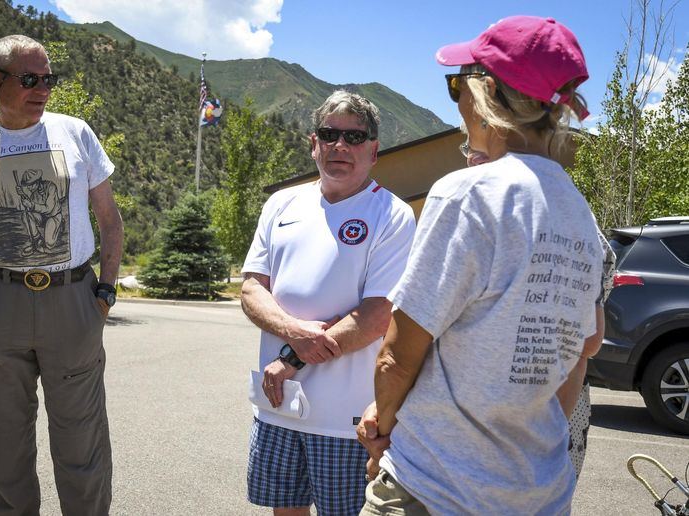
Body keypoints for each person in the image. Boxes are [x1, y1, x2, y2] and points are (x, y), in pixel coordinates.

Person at [357, 16, 605, 514]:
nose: (459, 104)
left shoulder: (467, 194)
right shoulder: (581, 214)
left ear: (487, 92)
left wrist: (382, 429)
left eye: (458, 86)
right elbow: (579, 355)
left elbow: (397, 356)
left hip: (436, 487)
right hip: (538, 492)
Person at [0, 35, 123, 515]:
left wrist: (105, 293)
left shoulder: (75, 133)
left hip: (73, 299)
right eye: (30, 79)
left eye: (48, 80)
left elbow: (111, 220)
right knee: (5, 444)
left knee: (83, 446)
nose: (42, 90)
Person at [241, 90, 415, 516]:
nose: (341, 146)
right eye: (329, 134)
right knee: (285, 512)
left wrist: (291, 357)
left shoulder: (391, 215)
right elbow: (250, 290)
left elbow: (377, 317)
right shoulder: (281, 203)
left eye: (355, 138)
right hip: (278, 409)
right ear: (313, 143)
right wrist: (294, 332)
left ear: (374, 151)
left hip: (348, 422)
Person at [458, 139, 617, 478]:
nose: (474, 158)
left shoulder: (565, 219)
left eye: (484, 149)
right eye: (469, 148)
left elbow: (589, 341)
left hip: (545, 409)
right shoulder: (469, 217)